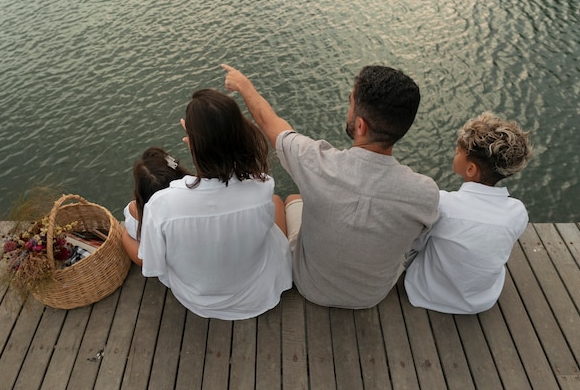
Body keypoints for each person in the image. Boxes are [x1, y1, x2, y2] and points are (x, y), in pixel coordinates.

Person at [222, 64, 439, 309]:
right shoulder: (425, 194)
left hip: (310, 286)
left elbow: (268, 121)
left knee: (286, 200)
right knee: (298, 198)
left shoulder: (314, 162)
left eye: (350, 103)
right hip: (370, 297)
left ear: (360, 125)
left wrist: (242, 84)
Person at [137, 88, 292, 320]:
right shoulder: (261, 189)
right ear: (239, 136)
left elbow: (154, 267)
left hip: (198, 301)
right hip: (258, 294)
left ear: (192, 145)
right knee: (278, 203)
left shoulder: (161, 205)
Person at [404, 112, 533, 314]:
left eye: (459, 151)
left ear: (471, 169)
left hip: (426, 293)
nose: (455, 151)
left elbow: (417, 244)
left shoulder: (443, 204)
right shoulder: (517, 212)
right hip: (481, 301)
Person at [122, 146, 190, 265]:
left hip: (171, 267)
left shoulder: (135, 211)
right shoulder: (195, 195)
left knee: (125, 236)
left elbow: (144, 259)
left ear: (140, 190)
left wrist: (126, 236)